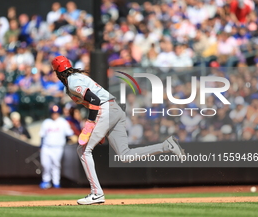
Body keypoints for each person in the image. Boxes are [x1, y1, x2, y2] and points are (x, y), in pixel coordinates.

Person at [51, 55, 185, 205]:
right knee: (125, 155)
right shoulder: (75, 78)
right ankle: (166, 146)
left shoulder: (72, 82)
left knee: (83, 150)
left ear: (57, 72)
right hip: (114, 108)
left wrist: (90, 124)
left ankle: (96, 193)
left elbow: (94, 100)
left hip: (105, 109)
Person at [39, 105, 74, 189]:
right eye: (53, 113)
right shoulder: (46, 122)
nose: (54, 114)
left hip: (57, 147)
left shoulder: (62, 122)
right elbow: (42, 135)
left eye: (56, 113)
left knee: (56, 165)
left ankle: (56, 182)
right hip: (46, 147)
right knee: (45, 164)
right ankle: (46, 180)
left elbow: (70, 133)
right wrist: (40, 146)